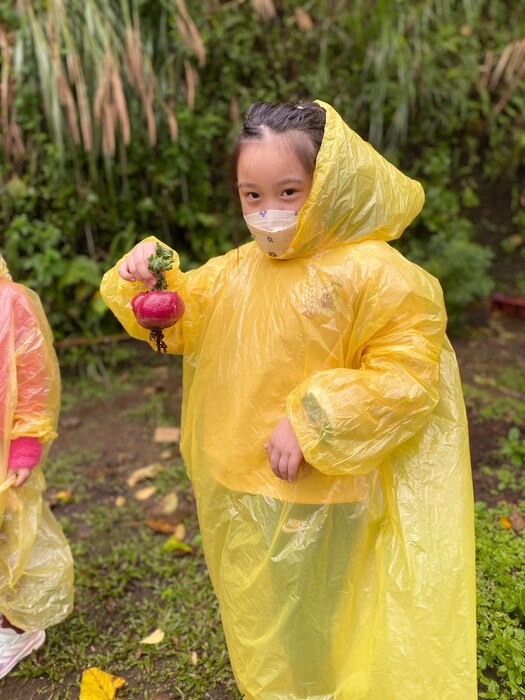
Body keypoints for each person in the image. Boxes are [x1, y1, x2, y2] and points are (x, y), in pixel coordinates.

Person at [100, 100, 477, 699]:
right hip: (245, 485)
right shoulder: (238, 271)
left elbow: (407, 377)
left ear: (328, 185)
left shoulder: (378, 275)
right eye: (251, 195)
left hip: (329, 491)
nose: (267, 212)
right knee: (262, 616)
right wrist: (146, 283)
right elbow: (182, 322)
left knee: (331, 612)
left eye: (288, 191)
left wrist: (313, 420)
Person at [0, 254, 74, 679]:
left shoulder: (12, 303)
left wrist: (24, 447)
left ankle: (15, 628)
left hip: (5, 456)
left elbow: (33, 379)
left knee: (11, 540)